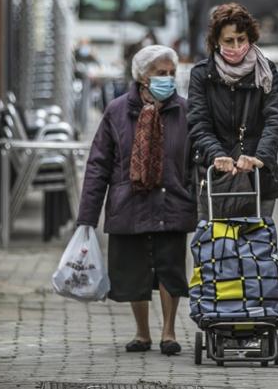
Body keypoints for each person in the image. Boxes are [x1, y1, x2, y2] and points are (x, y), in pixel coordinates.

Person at [76, 45, 196, 356]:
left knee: (170, 267)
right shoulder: (117, 111)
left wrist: (199, 201)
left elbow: (197, 161)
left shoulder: (185, 111)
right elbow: (98, 164)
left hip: (172, 200)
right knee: (134, 270)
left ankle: (168, 332)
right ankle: (142, 333)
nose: (168, 79)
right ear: (142, 77)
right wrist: (87, 218)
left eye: (171, 73)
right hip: (129, 201)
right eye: (161, 73)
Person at [187, 3, 278, 218]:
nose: (236, 46)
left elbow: (275, 118)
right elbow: (198, 123)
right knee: (217, 247)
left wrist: (260, 157)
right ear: (216, 42)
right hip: (216, 176)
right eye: (229, 41)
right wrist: (217, 155)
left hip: (258, 175)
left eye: (241, 39)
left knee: (257, 246)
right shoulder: (202, 74)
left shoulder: (266, 72)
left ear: (250, 37)